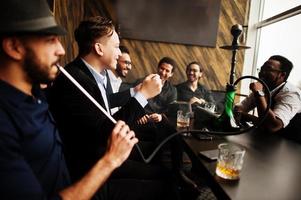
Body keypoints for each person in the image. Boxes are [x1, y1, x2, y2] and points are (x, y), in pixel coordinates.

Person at [0, 0, 138, 199]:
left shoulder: (35, 94)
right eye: (50, 40)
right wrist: (110, 160)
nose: (62, 50)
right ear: (14, 46)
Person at [47, 16, 178, 199]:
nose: (119, 52)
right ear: (99, 48)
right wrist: (143, 96)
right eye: (116, 46)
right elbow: (106, 133)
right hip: (90, 171)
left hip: (102, 155)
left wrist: (136, 91)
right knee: (166, 184)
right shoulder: (75, 80)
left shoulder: (98, 74)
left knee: (164, 172)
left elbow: (106, 104)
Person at [235, 55, 301, 142]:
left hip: (290, 145)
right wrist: (257, 120)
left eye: (268, 69)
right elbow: (238, 109)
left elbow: (272, 126)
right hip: (266, 139)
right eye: (261, 69)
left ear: (282, 75)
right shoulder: (264, 87)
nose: (262, 72)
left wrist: (259, 94)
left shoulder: (292, 94)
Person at [137, 56, 178, 125]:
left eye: (167, 71)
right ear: (158, 68)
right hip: (139, 119)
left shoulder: (172, 90)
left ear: (171, 74)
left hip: (158, 123)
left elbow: (171, 111)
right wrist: (138, 114)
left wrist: (161, 116)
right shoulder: (143, 81)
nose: (163, 72)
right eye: (162, 68)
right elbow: (132, 100)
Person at [107, 45, 132, 114]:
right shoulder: (104, 79)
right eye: (126, 63)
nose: (129, 67)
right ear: (115, 60)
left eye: (130, 64)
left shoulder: (120, 83)